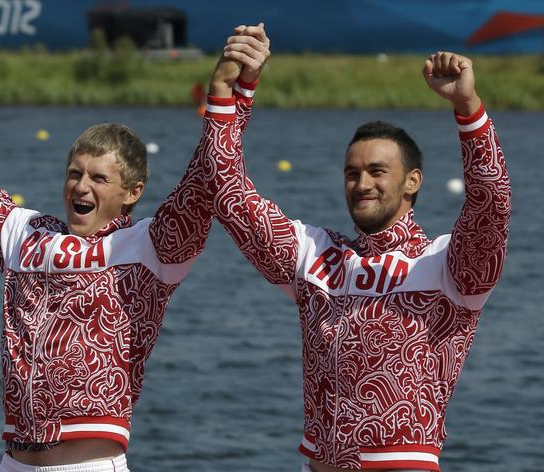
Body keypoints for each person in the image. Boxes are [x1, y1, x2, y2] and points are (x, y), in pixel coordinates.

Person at [0, 33, 265, 471]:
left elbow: (205, 182)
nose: (81, 187)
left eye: (98, 179)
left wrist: (234, 93)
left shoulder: (150, 248)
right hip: (12, 461)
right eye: (74, 174)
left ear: (132, 192)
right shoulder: (25, 234)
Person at [207, 35, 511, 472]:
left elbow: (491, 202)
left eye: (377, 171)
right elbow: (228, 195)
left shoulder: (448, 267)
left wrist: (468, 110)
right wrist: (233, 92)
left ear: (412, 182)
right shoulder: (315, 255)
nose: (362, 183)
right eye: (352, 173)